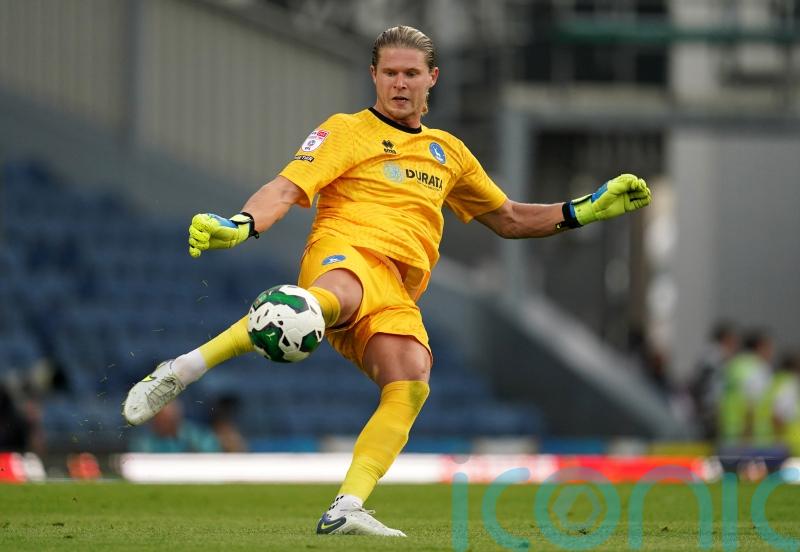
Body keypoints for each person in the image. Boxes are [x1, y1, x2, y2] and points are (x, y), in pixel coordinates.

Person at [122, 25, 651, 537]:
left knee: (413, 377)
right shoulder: (346, 131)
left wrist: (582, 210)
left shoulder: (450, 152)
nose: (401, 83)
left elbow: (508, 218)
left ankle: (347, 505)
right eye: (390, 73)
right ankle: (180, 371)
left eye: (411, 73)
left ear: (432, 78)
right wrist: (242, 223)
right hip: (344, 254)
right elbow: (285, 188)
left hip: (397, 289)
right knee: (325, 301)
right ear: (374, 76)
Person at [129, 400, 221, 453]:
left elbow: (212, 455)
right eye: (160, 419)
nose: (163, 423)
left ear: (177, 418)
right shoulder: (144, 442)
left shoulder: (198, 436)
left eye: (168, 420)